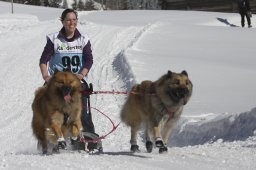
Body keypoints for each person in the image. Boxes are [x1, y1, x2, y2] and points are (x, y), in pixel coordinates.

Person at [39, 8, 100, 151]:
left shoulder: (83, 39)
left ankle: (88, 140)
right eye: (68, 20)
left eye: (74, 20)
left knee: (82, 113)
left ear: (77, 21)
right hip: (58, 84)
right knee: (53, 112)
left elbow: (88, 60)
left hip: (76, 82)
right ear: (62, 21)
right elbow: (43, 60)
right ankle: (51, 139)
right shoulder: (54, 39)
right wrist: (46, 76)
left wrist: (82, 74)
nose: (71, 23)